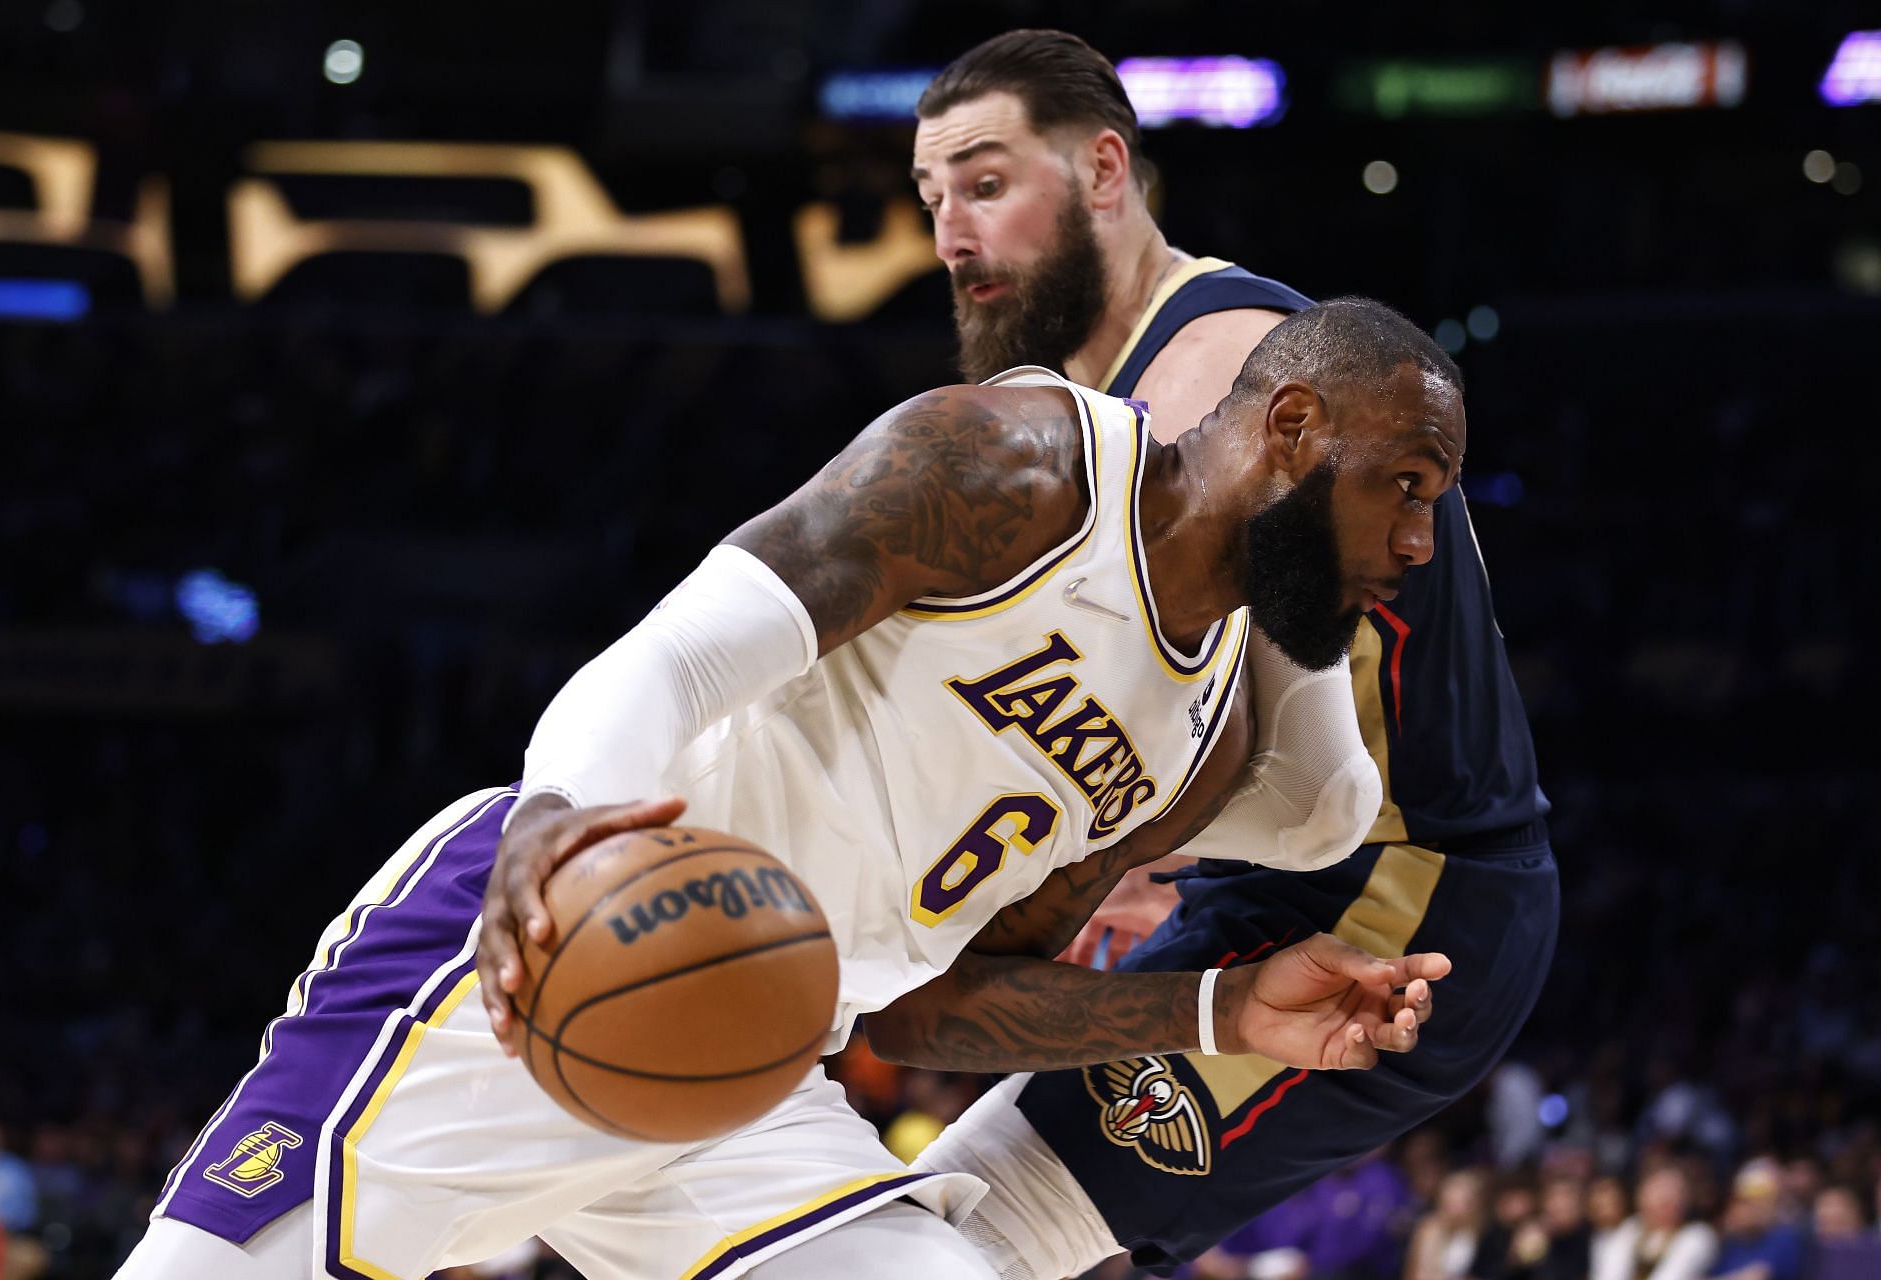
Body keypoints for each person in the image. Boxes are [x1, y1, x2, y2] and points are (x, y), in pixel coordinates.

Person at [116, 296, 1461, 1280]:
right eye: (1404, 487)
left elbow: (938, 1009)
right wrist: (554, 827)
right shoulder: (1024, 469)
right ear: (1290, 426)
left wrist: (1217, 1008)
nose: (1415, 543)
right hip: (550, 949)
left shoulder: (1204, 739)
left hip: (753, 1060)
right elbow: (675, 662)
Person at [869, 30, 1559, 1277]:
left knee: (973, 1235)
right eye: (930, 200)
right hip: (1286, 873)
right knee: (960, 1228)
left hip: (1399, 889)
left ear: (1102, 172)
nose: (951, 235)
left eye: (983, 183)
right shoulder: (1150, 368)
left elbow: (1192, 726)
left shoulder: (1204, 376)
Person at [1590, 1165, 1717, 1280]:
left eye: (1675, 1192)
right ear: (1642, 1195)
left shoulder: (1697, 1235)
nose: (1667, 1199)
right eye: (1659, 1191)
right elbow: (1609, 1274)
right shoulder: (1630, 1229)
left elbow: (1674, 1275)